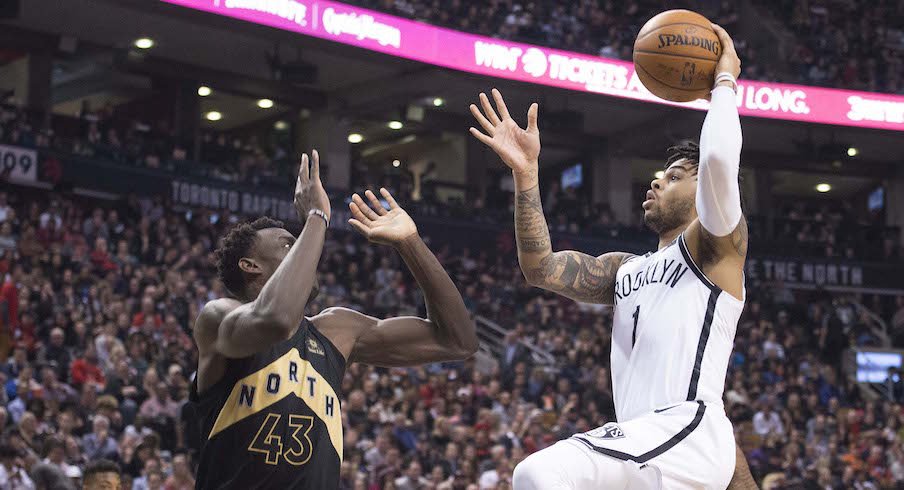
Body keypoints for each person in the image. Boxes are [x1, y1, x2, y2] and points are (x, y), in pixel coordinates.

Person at [469, 24, 757, 490]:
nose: (658, 181)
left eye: (677, 175)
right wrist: (526, 176)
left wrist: (724, 82)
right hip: (648, 445)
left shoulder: (713, 248)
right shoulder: (626, 268)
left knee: (539, 472)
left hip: (685, 430)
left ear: (703, 188)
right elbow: (540, 268)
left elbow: (720, 163)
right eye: (660, 174)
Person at [191, 151, 477, 488]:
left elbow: (458, 341)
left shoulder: (337, 330)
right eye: (289, 246)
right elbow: (278, 319)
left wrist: (409, 244)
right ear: (250, 266)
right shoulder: (219, 318)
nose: (306, 254)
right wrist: (316, 215)